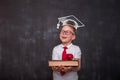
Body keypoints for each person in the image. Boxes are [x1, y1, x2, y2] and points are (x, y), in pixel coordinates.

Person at [51, 15, 84, 80]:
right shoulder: (55, 49)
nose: (64, 33)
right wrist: (58, 68)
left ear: (73, 36)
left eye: (68, 32)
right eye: (62, 31)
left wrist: (70, 68)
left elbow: (78, 67)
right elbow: (53, 66)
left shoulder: (76, 49)